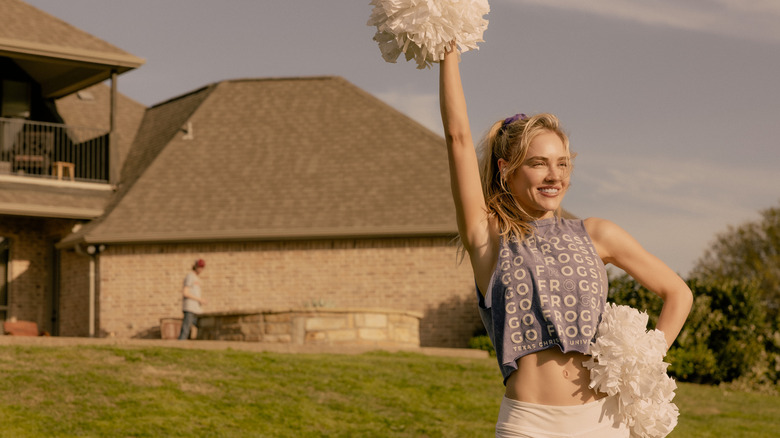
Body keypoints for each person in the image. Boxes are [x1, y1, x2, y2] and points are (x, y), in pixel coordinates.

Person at [438, 47, 693, 437]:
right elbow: (457, 137)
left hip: (604, 423)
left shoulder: (597, 234)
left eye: (562, 163)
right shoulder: (488, 236)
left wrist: (644, 359)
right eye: (538, 163)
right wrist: (448, 51)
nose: (553, 175)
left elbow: (678, 293)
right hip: (528, 424)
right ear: (506, 170)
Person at [178, 259, 207, 340]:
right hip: (190, 308)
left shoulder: (196, 278)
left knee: (198, 327)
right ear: (195, 266)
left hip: (197, 309)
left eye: (202, 267)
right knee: (186, 329)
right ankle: (179, 344)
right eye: (199, 266)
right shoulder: (190, 276)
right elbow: (185, 292)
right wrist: (199, 299)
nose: (200, 269)